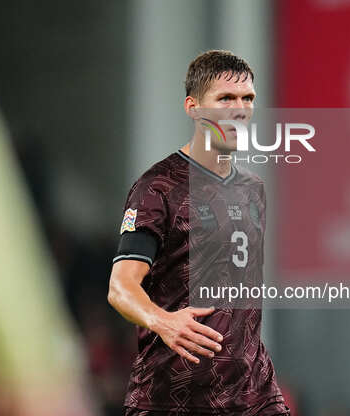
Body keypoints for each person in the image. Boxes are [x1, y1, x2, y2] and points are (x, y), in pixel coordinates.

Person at [108, 50, 290, 415]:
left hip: (251, 397)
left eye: (247, 99)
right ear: (193, 108)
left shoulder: (253, 189)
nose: (239, 109)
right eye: (225, 98)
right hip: (173, 397)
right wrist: (164, 321)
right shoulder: (157, 187)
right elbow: (120, 287)